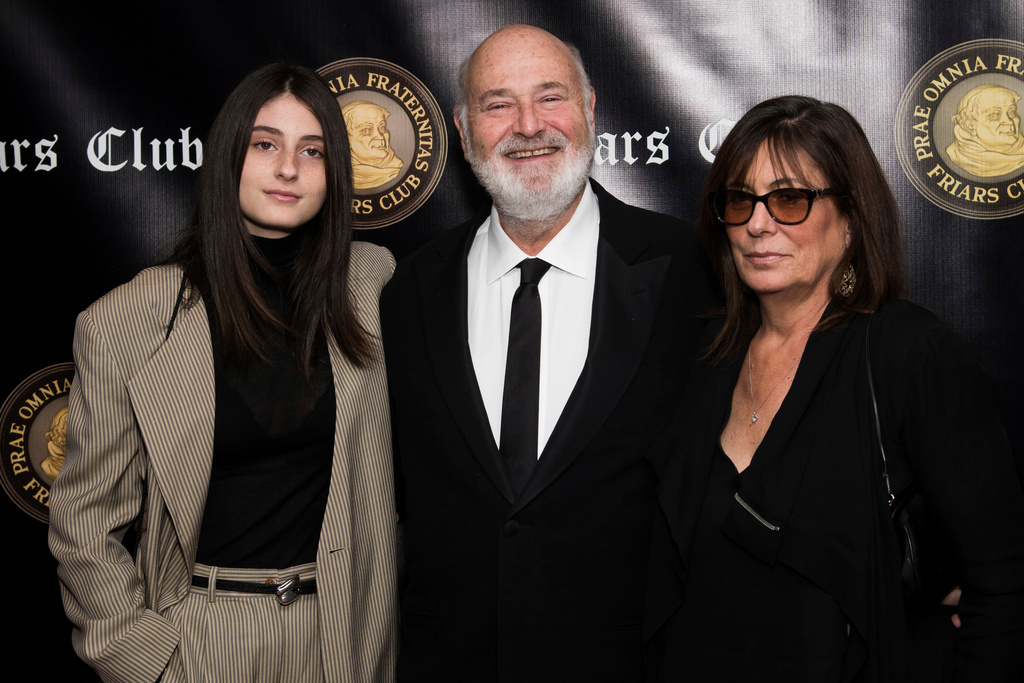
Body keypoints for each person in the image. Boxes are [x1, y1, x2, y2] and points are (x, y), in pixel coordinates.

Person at [643, 95, 1024, 682]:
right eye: (739, 200)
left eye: (789, 199)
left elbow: (1003, 584)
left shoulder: (909, 353)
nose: (758, 224)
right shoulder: (708, 355)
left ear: (850, 219)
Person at [379, 24, 716, 682]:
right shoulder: (410, 290)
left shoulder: (694, 273)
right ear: (464, 130)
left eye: (550, 97)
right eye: (498, 104)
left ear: (588, 109)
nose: (529, 125)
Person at [48, 64, 397, 683]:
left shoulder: (372, 285)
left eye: (312, 151)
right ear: (228, 155)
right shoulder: (130, 319)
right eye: (265, 144)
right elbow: (85, 521)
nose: (288, 168)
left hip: (344, 634)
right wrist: (141, 660)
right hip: (204, 639)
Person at [945, 84, 1024, 177]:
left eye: (1012, 112)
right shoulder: (956, 155)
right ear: (970, 125)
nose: (1009, 121)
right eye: (994, 114)